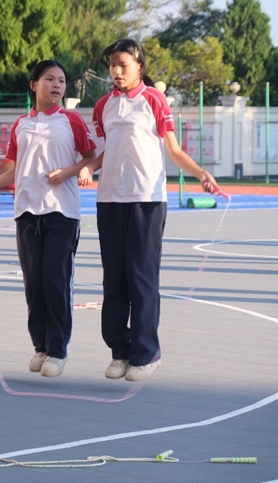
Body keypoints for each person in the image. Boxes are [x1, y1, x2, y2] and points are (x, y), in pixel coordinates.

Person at [85, 38, 220, 382]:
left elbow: (173, 151)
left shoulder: (154, 99)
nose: (116, 71)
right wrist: (87, 168)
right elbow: (106, 151)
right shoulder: (102, 106)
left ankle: (146, 354)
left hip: (146, 200)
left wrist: (201, 173)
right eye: (112, 65)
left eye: (123, 65)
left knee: (141, 278)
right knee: (114, 280)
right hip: (109, 200)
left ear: (140, 67)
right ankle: (119, 351)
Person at [0, 61, 97, 378]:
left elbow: (91, 157)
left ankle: (58, 351)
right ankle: (41, 347)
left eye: (61, 80)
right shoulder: (21, 125)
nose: (57, 85)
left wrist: (71, 171)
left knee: (55, 281)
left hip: (62, 213)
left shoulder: (72, 121)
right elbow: (13, 171)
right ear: (34, 85)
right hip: (26, 212)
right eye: (49, 79)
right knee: (33, 284)